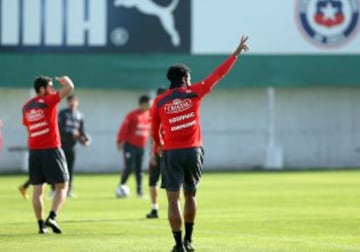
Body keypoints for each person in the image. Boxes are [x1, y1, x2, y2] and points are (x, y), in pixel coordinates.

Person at [151, 36, 249, 252]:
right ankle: (189, 240)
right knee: (191, 195)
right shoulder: (195, 92)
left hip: (172, 153)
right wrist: (235, 55)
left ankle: (178, 245)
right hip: (194, 151)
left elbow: (154, 129)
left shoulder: (159, 101)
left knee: (173, 199)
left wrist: (158, 145)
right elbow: (218, 75)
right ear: (185, 78)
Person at [22, 75, 74, 234]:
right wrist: (65, 80)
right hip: (51, 149)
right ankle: (52, 216)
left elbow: (28, 129)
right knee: (63, 185)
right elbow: (70, 87)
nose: (52, 89)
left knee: (37, 190)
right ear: (42, 89)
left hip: (34, 151)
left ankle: (40, 226)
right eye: (50, 86)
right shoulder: (49, 100)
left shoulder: (26, 106)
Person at [116, 95, 152, 197]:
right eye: (148, 104)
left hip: (141, 147)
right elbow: (124, 128)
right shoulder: (132, 115)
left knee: (139, 169)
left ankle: (139, 191)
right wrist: (120, 141)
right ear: (142, 104)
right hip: (129, 146)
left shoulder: (149, 115)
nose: (150, 106)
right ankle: (121, 186)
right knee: (129, 168)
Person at [58, 94, 91, 198]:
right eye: (71, 101)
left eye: (74, 101)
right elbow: (59, 130)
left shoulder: (80, 115)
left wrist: (85, 139)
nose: (73, 103)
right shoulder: (63, 114)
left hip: (72, 146)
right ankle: (55, 190)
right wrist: (71, 133)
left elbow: (81, 131)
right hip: (61, 145)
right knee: (59, 169)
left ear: (77, 102)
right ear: (67, 102)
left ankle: (69, 190)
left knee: (70, 169)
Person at [146, 87, 167, 218]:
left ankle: (155, 209)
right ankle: (175, 208)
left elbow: (152, 135)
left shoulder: (154, 111)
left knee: (153, 182)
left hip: (160, 152)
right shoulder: (175, 110)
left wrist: (152, 154)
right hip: (172, 152)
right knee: (176, 182)